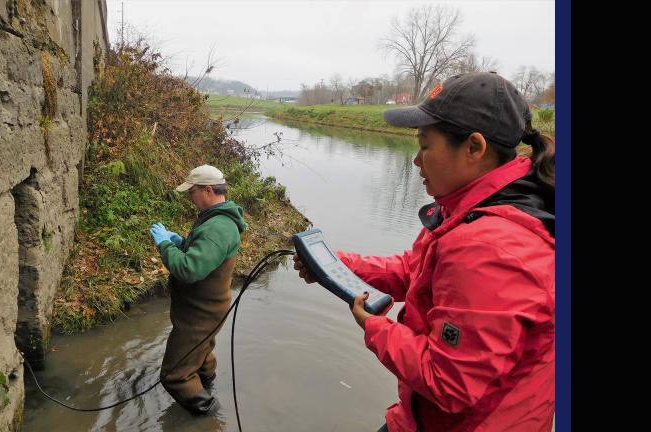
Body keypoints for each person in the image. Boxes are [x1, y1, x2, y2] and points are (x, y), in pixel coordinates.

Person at [293, 72, 555, 431]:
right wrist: (336, 263)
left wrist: (375, 327)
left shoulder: (490, 246)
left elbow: (449, 383)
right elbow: (413, 270)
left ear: (474, 148)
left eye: (425, 145)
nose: (416, 161)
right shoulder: (474, 208)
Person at [149, 164, 248, 416]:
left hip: (199, 314)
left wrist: (164, 246)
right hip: (207, 308)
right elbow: (206, 257)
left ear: (207, 190)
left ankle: (209, 415)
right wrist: (180, 242)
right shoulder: (217, 220)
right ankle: (207, 384)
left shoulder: (217, 228)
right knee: (201, 355)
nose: (190, 198)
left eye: (192, 192)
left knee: (174, 375)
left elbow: (189, 269)